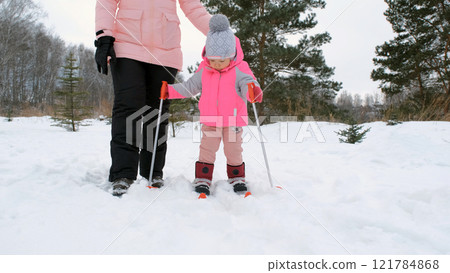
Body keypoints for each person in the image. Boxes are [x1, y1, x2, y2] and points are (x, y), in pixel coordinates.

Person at [94, 0, 211, 196]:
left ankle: (152, 172)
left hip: (166, 50)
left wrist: (219, 33)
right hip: (127, 46)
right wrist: (104, 36)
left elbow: (193, 7)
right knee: (128, 107)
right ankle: (123, 173)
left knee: (156, 111)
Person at [160, 14, 263, 196]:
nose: (215, 64)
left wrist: (253, 92)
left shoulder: (240, 69)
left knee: (233, 150)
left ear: (231, 55)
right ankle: (203, 179)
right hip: (211, 119)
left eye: (220, 61)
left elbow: (249, 84)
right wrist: (170, 91)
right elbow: (190, 87)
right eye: (212, 60)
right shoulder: (204, 70)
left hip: (233, 121)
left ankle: (237, 178)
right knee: (207, 150)